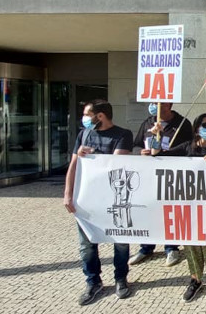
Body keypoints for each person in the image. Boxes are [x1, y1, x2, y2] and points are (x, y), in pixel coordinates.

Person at [63, 99, 134, 306]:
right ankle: (93, 281)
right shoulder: (83, 134)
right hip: (85, 199)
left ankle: (121, 278)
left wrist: (91, 157)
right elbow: (74, 164)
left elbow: (115, 165)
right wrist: (68, 193)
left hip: (115, 199)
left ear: (100, 116)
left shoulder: (123, 135)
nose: (84, 119)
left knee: (120, 242)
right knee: (87, 245)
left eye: (87, 114)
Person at [153, 113, 206, 304]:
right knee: (191, 242)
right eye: (205, 124)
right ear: (196, 128)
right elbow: (160, 156)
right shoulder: (187, 147)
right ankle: (195, 278)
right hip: (190, 206)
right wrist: (156, 138)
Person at [129, 102, 195, 267]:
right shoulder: (148, 122)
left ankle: (171, 247)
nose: (155, 105)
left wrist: (166, 153)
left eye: (160, 102)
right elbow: (136, 145)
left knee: (170, 211)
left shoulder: (182, 123)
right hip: (149, 176)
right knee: (149, 209)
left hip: (172, 176)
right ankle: (146, 247)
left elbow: (189, 147)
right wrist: (140, 153)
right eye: (153, 102)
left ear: (169, 105)